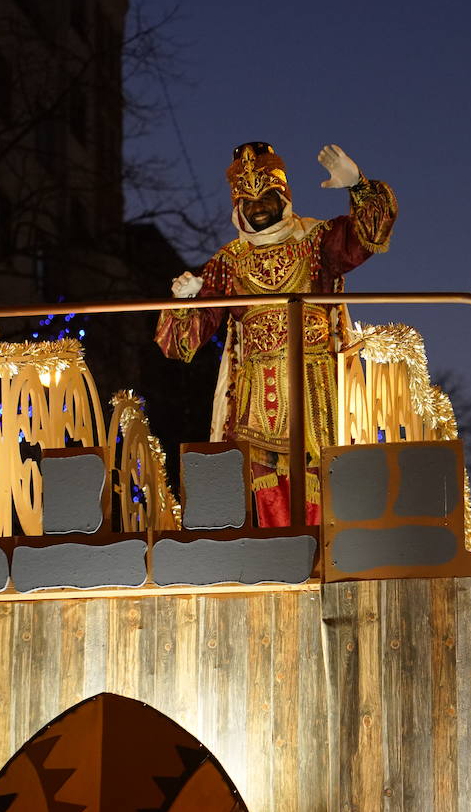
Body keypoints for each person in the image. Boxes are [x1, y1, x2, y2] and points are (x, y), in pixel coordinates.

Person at [155, 141, 397, 526]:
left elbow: (369, 235)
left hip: (317, 387)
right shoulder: (228, 261)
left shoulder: (316, 240)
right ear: (237, 207)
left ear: (283, 196)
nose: (258, 207)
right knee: (262, 485)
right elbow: (182, 343)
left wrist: (358, 186)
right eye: (248, 202)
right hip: (255, 395)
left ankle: (326, 562)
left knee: (327, 478)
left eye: (266, 197)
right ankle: (278, 565)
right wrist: (183, 302)